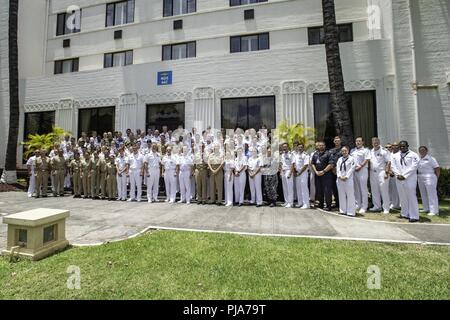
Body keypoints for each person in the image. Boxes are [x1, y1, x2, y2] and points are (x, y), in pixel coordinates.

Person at [391, 141, 420, 223]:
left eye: (404, 146)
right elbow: (393, 166)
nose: (402, 148)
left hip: (409, 178)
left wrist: (404, 175)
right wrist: (398, 175)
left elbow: (414, 166)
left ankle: (414, 216)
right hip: (399, 178)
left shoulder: (413, 155)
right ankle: (404, 213)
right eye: (400, 146)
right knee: (402, 196)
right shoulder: (395, 155)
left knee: (411, 197)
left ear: (408, 146)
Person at [369, 137, 391, 214]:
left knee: (384, 190)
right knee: (374, 190)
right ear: (372, 143)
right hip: (372, 173)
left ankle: (386, 208)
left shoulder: (384, 151)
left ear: (379, 142)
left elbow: (388, 162)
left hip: (382, 172)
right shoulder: (370, 151)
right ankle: (377, 206)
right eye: (374, 142)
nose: (375, 143)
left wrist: (387, 172)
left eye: (377, 142)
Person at [417, 146, 440, 216]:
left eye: (423, 150)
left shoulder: (431, 158)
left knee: (431, 194)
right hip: (420, 176)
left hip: (429, 176)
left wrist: (436, 178)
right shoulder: (419, 159)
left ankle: (434, 211)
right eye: (420, 150)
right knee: (423, 193)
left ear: (427, 151)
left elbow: (437, 168)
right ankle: (426, 208)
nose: (422, 151)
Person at [311, 142, 333, 211]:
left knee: (327, 191)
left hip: (326, 175)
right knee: (319, 190)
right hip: (318, 175)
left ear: (325, 146)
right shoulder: (315, 154)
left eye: (322, 145)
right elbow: (312, 163)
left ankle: (328, 206)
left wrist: (323, 171)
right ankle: (320, 204)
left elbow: (331, 164)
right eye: (319, 145)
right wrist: (316, 171)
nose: (321, 146)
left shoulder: (328, 153)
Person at [350, 137, 370, 214]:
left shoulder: (366, 150)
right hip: (354, 171)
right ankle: (358, 204)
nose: (358, 142)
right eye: (356, 141)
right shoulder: (353, 150)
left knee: (363, 189)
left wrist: (360, 166)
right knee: (356, 188)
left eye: (359, 141)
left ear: (363, 142)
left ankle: (364, 206)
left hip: (362, 170)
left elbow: (367, 159)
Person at [336, 146, 357, 216]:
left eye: (345, 151)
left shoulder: (352, 159)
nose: (344, 152)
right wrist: (339, 176)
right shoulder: (339, 159)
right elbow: (338, 168)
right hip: (340, 179)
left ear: (348, 151)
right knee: (341, 195)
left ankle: (350, 211)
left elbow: (352, 168)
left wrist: (346, 176)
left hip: (348, 179)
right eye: (342, 151)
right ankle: (342, 210)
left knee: (350, 195)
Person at [293, 142, 310, 209]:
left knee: (304, 188)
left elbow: (306, 165)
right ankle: (300, 203)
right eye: (299, 147)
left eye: (301, 147)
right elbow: (294, 163)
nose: (300, 148)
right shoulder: (296, 155)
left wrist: (299, 172)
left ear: (303, 148)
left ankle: (306, 204)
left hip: (303, 173)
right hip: (297, 173)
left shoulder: (305, 155)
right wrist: (295, 171)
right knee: (298, 188)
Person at [328, 136, 342, 208]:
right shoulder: (331, 151)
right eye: (335, 140)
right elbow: (330, 160)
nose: (337, 142)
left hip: (341, 172)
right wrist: (333, 168)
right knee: (334, 188)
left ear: (340, 141)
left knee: (341, 188)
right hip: (332, 172)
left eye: (338, 140)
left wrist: (337, 168)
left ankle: (341, 203)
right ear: (334, 142)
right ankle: (337, 202)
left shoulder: (343, 150)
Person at [280, 143, 294, 208]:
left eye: (285, 147)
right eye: (283, 147)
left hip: (288, 171)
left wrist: (290, 173)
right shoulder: (282, 155)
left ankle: (291, 203)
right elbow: (281, 163)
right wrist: (280, 172)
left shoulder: (291, 154)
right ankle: (286, 201)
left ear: (288, 147)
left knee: (289, 188)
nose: (284, 148)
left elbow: (293, 164)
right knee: (285, 188)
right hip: (283, 171)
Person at [388, 142, 401, 209]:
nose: (394, 146)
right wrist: (389, 171)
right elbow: (389, 163)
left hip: (398, 174)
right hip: (391, 174)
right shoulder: (390, 154)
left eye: (396, 145)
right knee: (392, 190)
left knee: (398, 190)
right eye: (393, 145)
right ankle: (393, 203)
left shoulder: (400, 154)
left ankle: (397, 204)